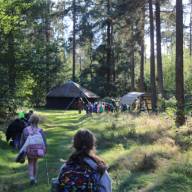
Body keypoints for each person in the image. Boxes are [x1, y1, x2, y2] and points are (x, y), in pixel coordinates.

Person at [20, 114, 47, 185]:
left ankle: (31, 177)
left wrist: (22, 150)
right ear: (38, 121)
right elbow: (44, 141)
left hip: (29, 150)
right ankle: (34, 178)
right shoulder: (40, 130)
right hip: (38, 150)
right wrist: (45, 149)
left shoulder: (25, 130)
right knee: (35, 163)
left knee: (30, 163)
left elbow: (22, 141)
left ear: (30, 120)